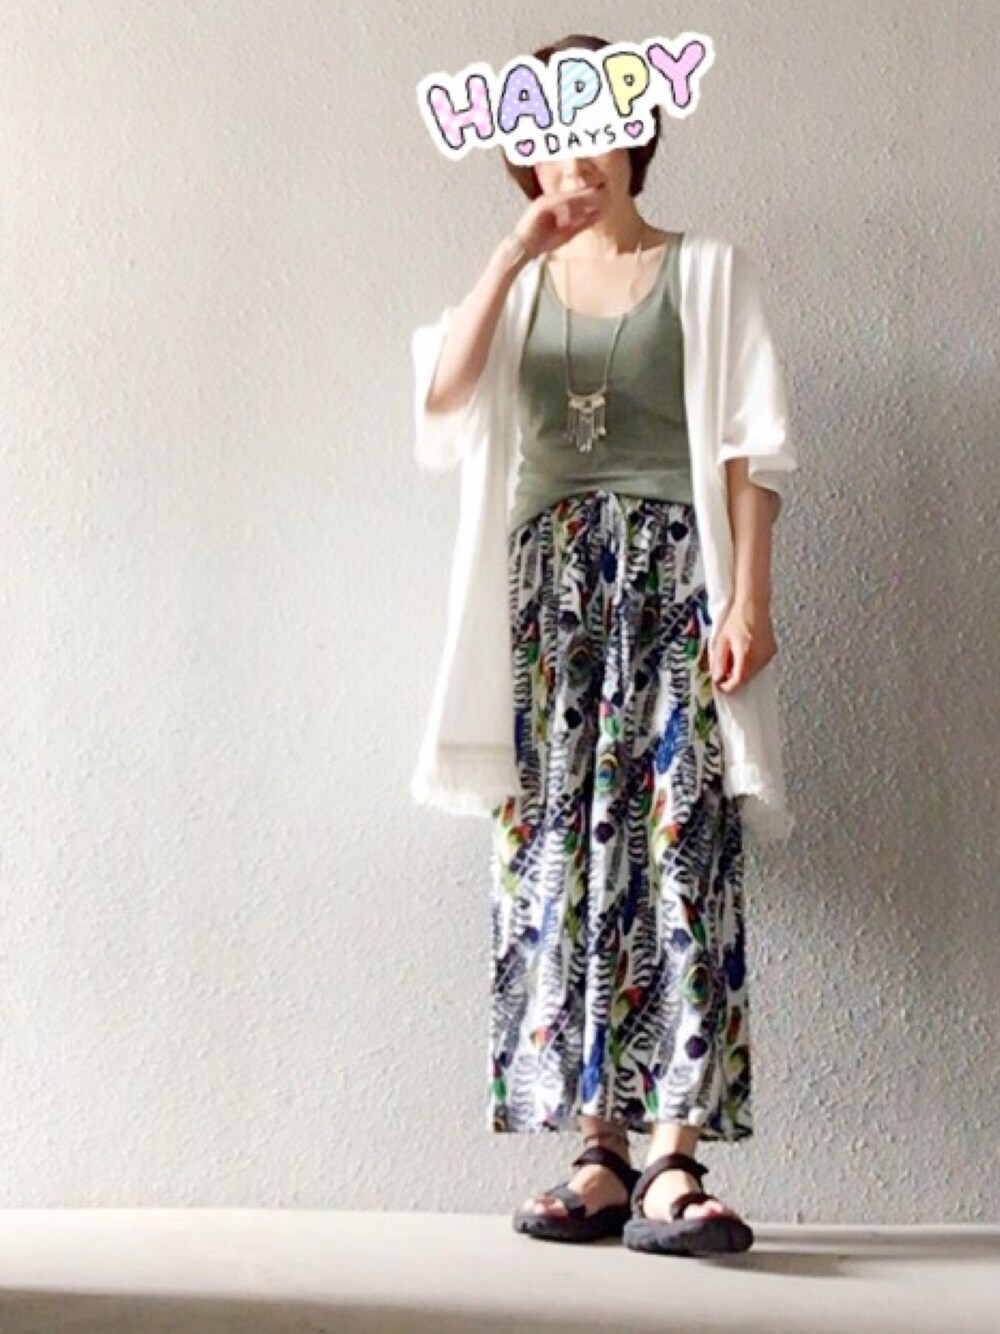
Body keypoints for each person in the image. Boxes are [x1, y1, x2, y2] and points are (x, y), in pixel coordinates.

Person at [419, 32, 793, 1257]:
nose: (579, 157)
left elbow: (750, 450)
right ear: (526, 159)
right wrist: (512, 249)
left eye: (599, 127)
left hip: (675, 585)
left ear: (637, 136)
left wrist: (748, 602)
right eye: (553, 136)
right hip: (546, 606)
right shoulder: (517, 285)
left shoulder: (708, 271)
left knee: (680, 848)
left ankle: (674, 1160)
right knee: (556, 860)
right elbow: (441, 400)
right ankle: (597, 1147)